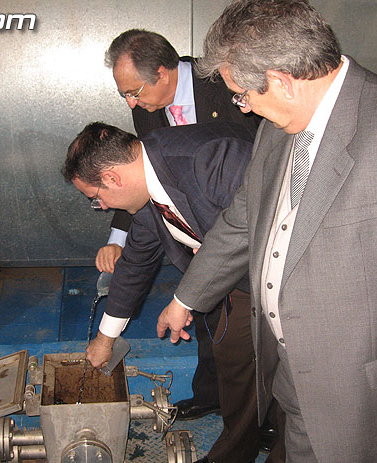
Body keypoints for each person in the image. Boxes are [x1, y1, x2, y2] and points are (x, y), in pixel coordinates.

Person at [157, 1, 377, 463]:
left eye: (242, 96)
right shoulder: (278, 131)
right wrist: (187, 295)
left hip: (373, 401)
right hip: (298, 382)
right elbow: (241, 222)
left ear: (282, 80)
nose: (244, 107)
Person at [63, 121, 283, 463]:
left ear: (113, 178)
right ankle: (240, 448)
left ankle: (278, 448)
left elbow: (262, 226)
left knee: (290, 381)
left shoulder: (206, 159)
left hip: (286, 272)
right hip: (235, 276)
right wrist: (105, 339)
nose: (101, 207)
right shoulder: (149, 193)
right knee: (234, 355)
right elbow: (135, 263)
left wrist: (183, 301)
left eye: (95, 198)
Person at [99, 28, 261, 424]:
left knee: (254, 332)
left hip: (249, 227)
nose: (131, 102)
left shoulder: (226, 82)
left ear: (163, 72)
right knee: (204, 315)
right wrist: (119, 236)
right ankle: (211, 395)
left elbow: (260, 161)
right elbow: (142, 170)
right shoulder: (145, 105)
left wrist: (226, 236)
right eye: (125, 95)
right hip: (193, 230)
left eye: (133, 91)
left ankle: (262, 416)